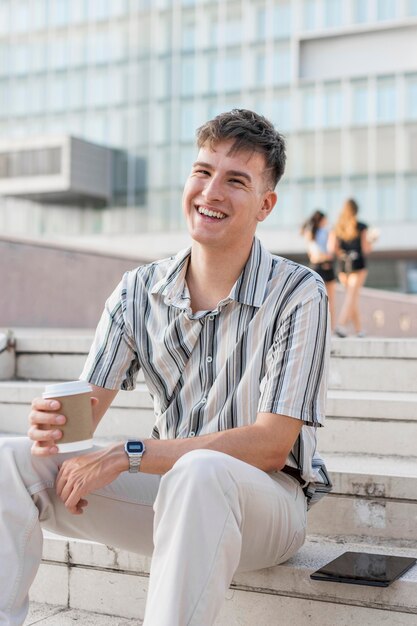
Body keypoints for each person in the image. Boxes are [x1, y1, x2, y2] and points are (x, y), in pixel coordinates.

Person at [0, 109, 332, 626]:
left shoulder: (298, 293)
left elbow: (272, 443)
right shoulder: (137, 290)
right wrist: (56, 425)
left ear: (265, 205)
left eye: (235, 181)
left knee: (200, 472)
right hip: (170, 492)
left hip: (268, 505)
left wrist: (130, 452)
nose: (211, 191)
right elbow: (86, 411)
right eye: (202, 171)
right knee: (9, 462)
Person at [329, 198, 375, 338]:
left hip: (343, 266)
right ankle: (341, 325)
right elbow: (366, 249)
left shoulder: (337, 227)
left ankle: (359, 330)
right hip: (358, 265)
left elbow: (332, 248)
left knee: (352, 297)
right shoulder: (361, 226)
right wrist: (373, 240)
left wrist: (342, 254)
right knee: (351, 296)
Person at [301, 210, 336, 330]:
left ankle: (319, 328)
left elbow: (312, 254)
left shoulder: (310, 232)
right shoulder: (327, 232)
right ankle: (331, 329)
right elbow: (330, 252)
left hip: (315, 266)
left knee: (317, 300)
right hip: (326, 265)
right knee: (330, 300)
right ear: (322, 220)